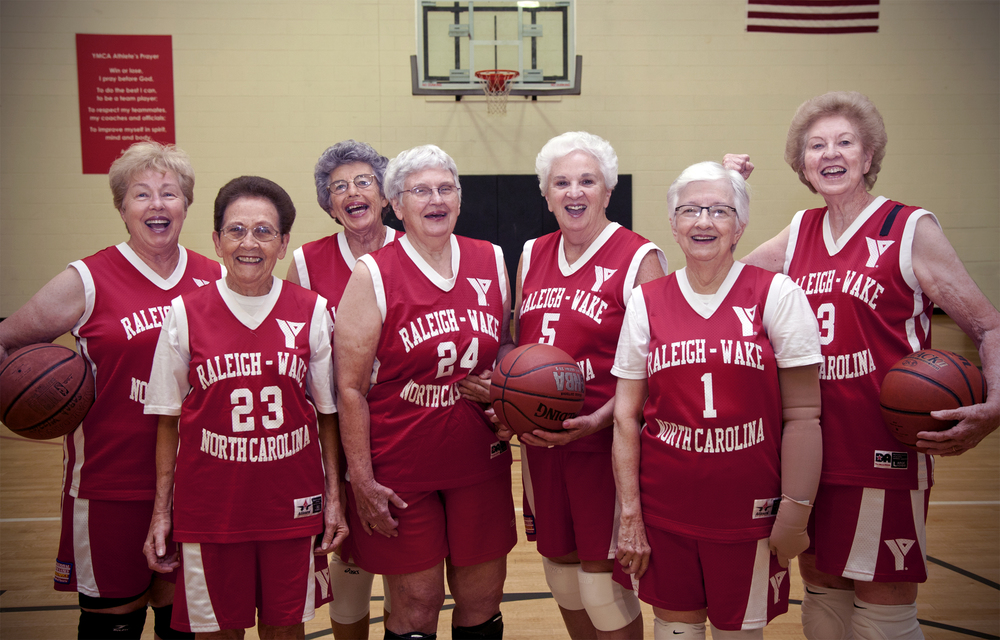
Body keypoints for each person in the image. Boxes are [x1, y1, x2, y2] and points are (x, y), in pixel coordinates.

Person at [736, 91, 1000, 639]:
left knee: (884, 606)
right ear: (802, 164)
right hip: (808, 449)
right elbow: (727, 283)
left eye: (845, 142)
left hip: (882, 450)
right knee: (823, 593)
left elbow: (988, 326)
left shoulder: (908, 227)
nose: (830, 154)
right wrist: (727, 189)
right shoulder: (801, 231)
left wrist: (996, 406)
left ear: (868, 155)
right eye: (816, 145)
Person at [0, 142, 220, 640]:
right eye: (141, 195)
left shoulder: (216, 277)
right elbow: (6, 340)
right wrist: (29, 396)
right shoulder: (87, 279)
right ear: (122, 208)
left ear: (186, 204)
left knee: (184, 623)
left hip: (197, 482)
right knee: (114, 624)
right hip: (110, 486)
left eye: (170, 193)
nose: (157, 205)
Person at [611, 161, 823, 640]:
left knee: (739, 633)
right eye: (690, 210)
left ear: (741, 225)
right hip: (666, 509)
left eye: (719, 211)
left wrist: (796, 506)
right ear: (672, 223)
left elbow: (804, 414)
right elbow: (626, 417)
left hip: (749, 513)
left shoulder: (777, 294)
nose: (703, 222)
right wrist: (630, 515)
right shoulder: (646, 300)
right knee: (673, 631)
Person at [142, 176, 348, 639]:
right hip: (212, 509)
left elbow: (328, 415)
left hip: (291, 508)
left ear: (283, 243)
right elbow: (167, 420)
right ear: (216, 241)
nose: (249, 243)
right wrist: (162, 511)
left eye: (263, 231)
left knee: (285, 633)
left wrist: (333, 499)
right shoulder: (183, 313)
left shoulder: (312, 310)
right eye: (236, 231)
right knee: (217, 635)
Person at [335, 144, 516, 640]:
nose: (435, 199)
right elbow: (349, 388)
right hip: (400, 465)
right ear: (396, 204)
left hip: (478, 456)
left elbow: (501, 350)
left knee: (482, 598)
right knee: (417, 604)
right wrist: (362, 480)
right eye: (420, 191)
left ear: (458, 199)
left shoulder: (492, 259)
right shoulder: (372, 273)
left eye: (445, 189)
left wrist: (501, 387)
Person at [507, 131, 667, 639]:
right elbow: (517, 346)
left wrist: (599, 419)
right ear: (546, 193)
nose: (574, 192)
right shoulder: (531, 253)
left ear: (607, 190)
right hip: (543, 448)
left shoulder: (640, 257)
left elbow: (657, 369)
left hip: (604, 445)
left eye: (587, 181)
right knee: (562, 575)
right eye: (561, 183)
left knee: (604, 588)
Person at [287, 140, 399, 639]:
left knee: (407, 576)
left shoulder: (415, 247)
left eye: (363, 181)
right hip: (337, 435)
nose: (352, 193)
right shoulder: (307, 262)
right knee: (349, 577)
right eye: (339, 187)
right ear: (329, 204)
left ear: (386, 194)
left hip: (404, 430)